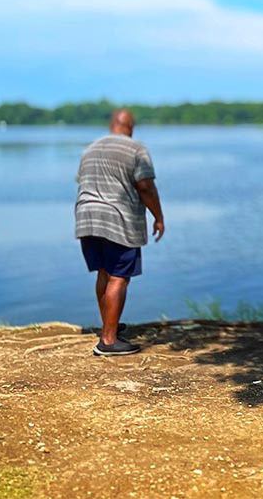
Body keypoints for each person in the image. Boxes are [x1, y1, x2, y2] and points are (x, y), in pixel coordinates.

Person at [73, 108, 164, 356]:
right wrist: (158, 216)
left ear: (112, 124)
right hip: (118, 219)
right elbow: (144, 186)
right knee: (119, 276)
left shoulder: (89, 149)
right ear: (130, 127)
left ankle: (108, 327)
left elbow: (82, 182)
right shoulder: (135, 148)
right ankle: (109, 341)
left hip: (86, 218)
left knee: (104, 272)